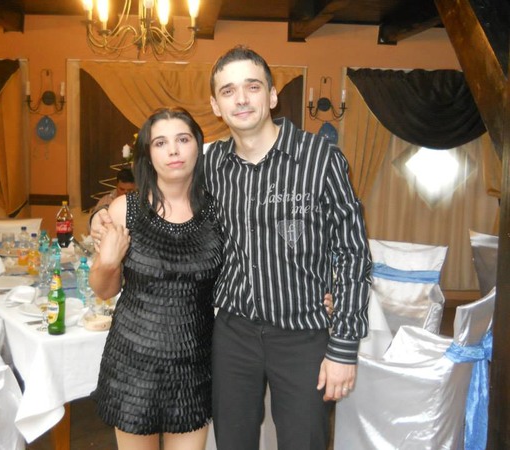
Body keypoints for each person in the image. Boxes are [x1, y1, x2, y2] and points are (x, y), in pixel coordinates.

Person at [92, 46, 371, 450]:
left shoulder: (320, 158)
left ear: (271, 96)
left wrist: (343, 348)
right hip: (232, 335)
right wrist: (101, 217)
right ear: (216, 106)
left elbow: (352, 253)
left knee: (304, 442)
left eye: (252, 87)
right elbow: (162, 190)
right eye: (228, 91)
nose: (240, 99)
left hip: (302, 332)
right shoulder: (211, 165)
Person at [89, 107, 223, 450]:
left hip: (194, 364)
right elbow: (104, 291)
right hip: (133, 362)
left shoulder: (219, 211)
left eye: (183, 139)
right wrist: (108, 262)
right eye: (161, 143)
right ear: (148, 155)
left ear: (198, 146)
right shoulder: (125, 210)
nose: (173, 150)